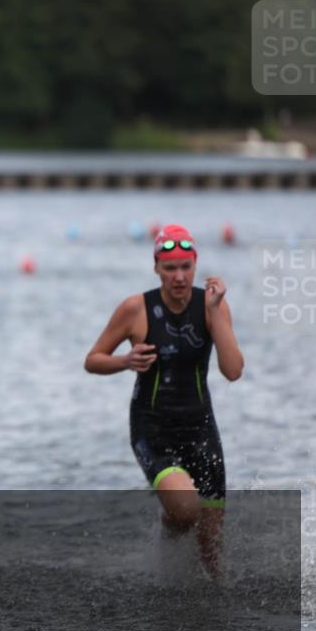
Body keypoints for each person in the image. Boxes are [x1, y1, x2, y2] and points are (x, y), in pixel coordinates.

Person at [84, 224, 244, 573]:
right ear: (156, 267)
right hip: (153, 429)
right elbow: (92, 360)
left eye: (186, 267)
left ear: (195, 264)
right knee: (186, 511)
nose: (179, 276)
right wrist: (125, 361)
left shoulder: (212, 305)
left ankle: (207, 615)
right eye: (170, 268)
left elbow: (233, 371)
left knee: (212, 555)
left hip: (201, 429)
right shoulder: (135, 309)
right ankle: (166, 550)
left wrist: (216, 312)